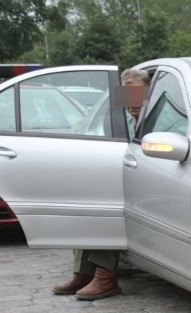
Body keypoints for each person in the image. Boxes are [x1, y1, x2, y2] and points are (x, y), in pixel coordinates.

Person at [52, 68, 151, 300]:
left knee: (111, 211)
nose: (132, 103)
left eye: (137, 95)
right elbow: (85, 132)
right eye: (127, 96)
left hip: (147, 185)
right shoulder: (117, 117)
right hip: (123, 178)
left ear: (148, 93)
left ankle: (104, 277)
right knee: (92, 203)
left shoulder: (160, 116)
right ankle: (82, 273)